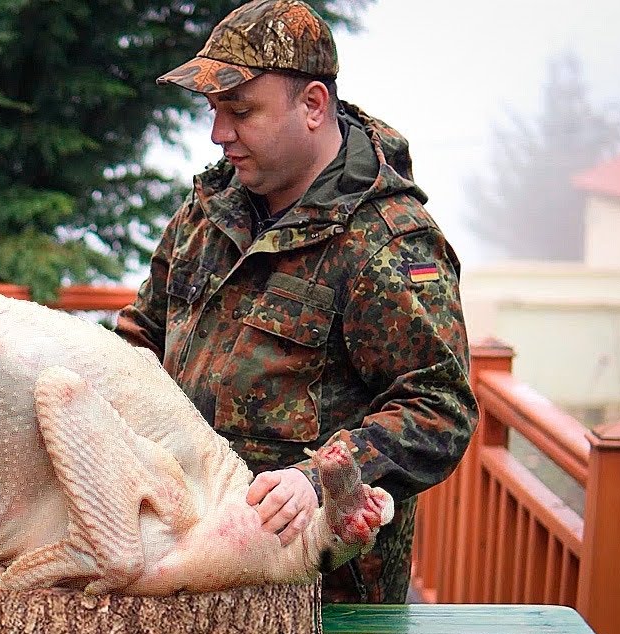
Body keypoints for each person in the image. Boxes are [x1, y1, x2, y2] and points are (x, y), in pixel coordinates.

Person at [116, 0, 478, 603]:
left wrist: (319, 478)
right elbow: (143, 333)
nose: (218, 133)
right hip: (184, 567)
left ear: (312, 105)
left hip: (320, 601)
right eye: (213, 110)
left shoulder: (384, 241)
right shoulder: (208, 213)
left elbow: (439, 408)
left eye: (241, 110)